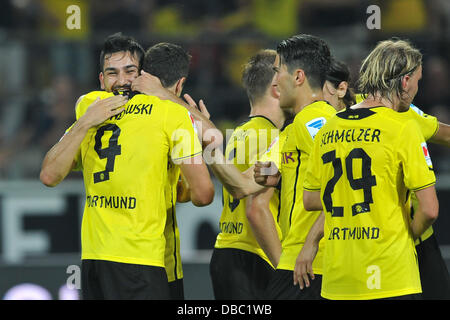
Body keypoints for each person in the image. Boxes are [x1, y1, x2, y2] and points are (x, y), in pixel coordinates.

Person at [40, 33, 214, 299]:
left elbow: (49, 176)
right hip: (142, 263)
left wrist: (86, 121)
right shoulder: (172, 114)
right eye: (112, 73)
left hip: (96, 263)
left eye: (129, 71)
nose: (121, 81)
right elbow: (203, 194)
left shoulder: (89, 105)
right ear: (101, 79)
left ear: (143, 75)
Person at [300, 38, 439, 299]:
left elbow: (310, 200)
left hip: (339, 280)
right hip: (390, 276)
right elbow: (430, 210)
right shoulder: (403, 128)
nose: (418, 87)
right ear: (405, 81)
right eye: (418, 80)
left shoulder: (329, 127)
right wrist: (409, 234)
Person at [209, 49, 285, 299]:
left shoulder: (240, 132)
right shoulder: (269, 137)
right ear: (276, 87)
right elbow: (255, 207)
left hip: (227, 250)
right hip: (253, 257)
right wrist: (284, 269)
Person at [139, 42, 193, 300]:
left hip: (103, 256)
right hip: (159, 259)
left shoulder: (110, 111)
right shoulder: (176, 117)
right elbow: (202, 194)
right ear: (180, 84)